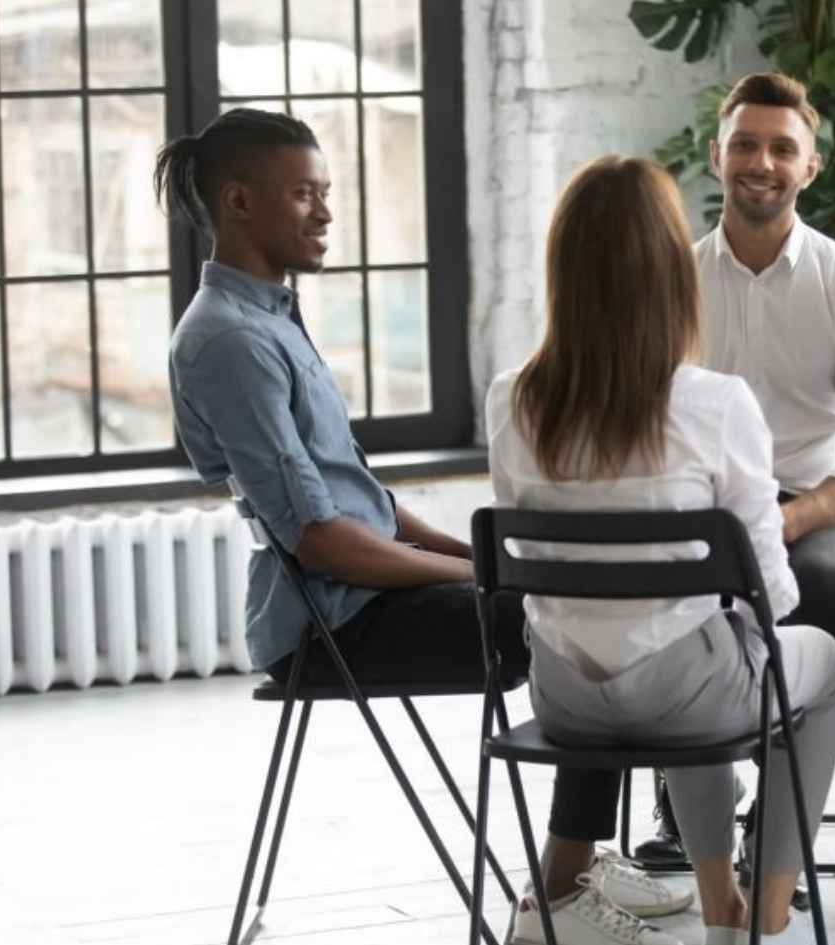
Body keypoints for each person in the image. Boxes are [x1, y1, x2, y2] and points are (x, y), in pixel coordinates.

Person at [157, 110, 690, 945]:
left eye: (326, 192)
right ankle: (562, 885)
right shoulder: (229, 341)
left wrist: (483, 552)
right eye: (305, 194)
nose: (327, 212)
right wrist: (482, 578)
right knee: (582, 618)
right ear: (238, 203)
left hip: (360, 593)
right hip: (334, 624)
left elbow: (355, 492)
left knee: (579, 605)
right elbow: (321, 540)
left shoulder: (268, 318)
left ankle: (575, 863)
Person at [484, 155, 835, 945]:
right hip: (685, 693)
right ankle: (769, 907)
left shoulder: (513, 398)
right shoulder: (716, 404)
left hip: (561, 698)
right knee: (800, 658)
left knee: (699, 639)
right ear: (669, 277)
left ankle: (719, 900)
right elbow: (773, 591)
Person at [637, 71, 835, 868]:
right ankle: (688, 805)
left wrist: (785, 520)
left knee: (824, 591)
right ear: (716, 156)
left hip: (809, 509)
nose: (762, 162)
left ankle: (778, 832)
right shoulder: (673, 281)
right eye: (745, 144)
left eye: (781, 148)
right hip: (696, 506)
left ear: (810, 166)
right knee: (657, 592)